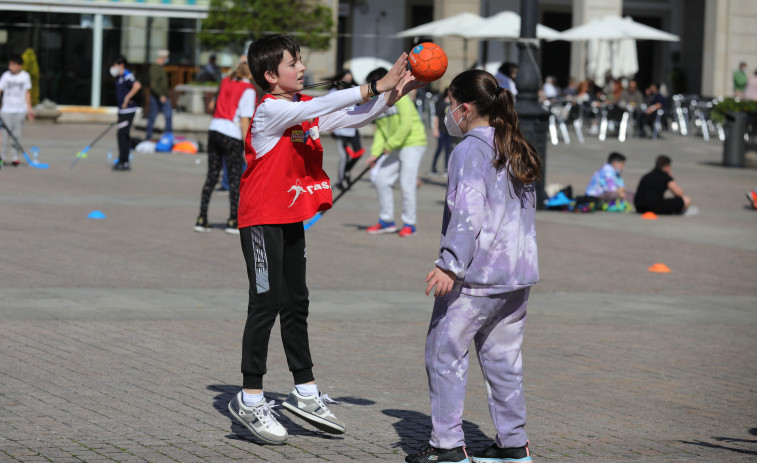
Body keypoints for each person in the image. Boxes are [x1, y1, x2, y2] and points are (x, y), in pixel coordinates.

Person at [228, 34, 422, 445]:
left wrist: (394, 94)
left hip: (290, 217)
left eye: (299, 61)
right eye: (293, 63)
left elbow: (350, 117)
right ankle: (249, 397)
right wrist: (375, 85)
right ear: (270, 75)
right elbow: (324, 104)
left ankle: (305, 390)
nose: (301, 68)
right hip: (260, 221)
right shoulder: (271, 112)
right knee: (265, 304)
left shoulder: (298, 110)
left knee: (296, 302)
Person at [404, 69, 541, 463]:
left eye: (450, 104)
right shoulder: (514, 143)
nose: (448, 112)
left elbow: (468, 211)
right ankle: (513, 444)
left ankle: (447, 446)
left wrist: (450, 264)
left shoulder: (469, 149)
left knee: (443, 353)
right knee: (504, 361)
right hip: (516, 275)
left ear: (463, 108)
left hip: (478, 275)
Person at [365, 67, 428, 237]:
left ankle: (409, 224)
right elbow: (380, 130)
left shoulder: (400, 97)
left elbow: (406, 124)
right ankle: (387, 221)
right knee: (381, 179)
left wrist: (391, 144)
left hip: (412, 143)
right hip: (395, 147)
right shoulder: (379, 103)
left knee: (406, 183)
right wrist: (375, 153)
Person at [193, 61, 255, 234]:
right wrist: (247, 147)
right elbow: (244, 120)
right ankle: (233, 221)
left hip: (214, 129)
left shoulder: (226, 81)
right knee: (235, 179)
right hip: (231, 133)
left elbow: (212, 106)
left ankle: (201, 218)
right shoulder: (248, 90)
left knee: (212, 176)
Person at [328, 69, 365, 190]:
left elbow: (363, 101)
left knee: (358, 152)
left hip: (352, 129)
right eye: (345, 79)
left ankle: (347, 172)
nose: (347, 82)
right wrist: (330, 127)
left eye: (349, 79)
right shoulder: (333, 92)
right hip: (340, 130)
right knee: (344, 157)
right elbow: (327, 109)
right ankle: (340, 181)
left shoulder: (354, 89)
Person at [0, 53, 35, 167]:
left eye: (13, 65)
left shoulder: (25, 76)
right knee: (4, 135)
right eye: (10, 64)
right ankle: (3, 157)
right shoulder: (5, 76)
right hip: (6, 110)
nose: (11, 67)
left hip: (20, 110)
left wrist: (29, 110)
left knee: (17, 135)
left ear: (20, 66)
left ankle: (15, 157)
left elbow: (27, 93)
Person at [109, 55, 142, 171]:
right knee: (123, 134)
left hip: (128, 110)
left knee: (122, 134)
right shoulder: (119, 77)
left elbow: (137, 86)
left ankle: (124, 161)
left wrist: (127, 98)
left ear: (121, 65)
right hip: (122, 110)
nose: (112, 68)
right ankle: (123, 160)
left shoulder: (127, 74)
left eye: (114, 65)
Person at [146, 49, 172, 140]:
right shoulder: (155, 68)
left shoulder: (160, 68)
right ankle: (149, 135)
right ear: (163, 57)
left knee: (168, 115)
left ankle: (168, 135)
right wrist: (160, 95)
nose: (167, 59)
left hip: (162, 96)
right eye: (166, 57)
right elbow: (153, 84)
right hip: (158, 96)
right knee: (153, 116)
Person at [430, 87, 452, 175]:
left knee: (448, 149)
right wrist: (435, 130)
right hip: (441, 130)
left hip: (449, 131)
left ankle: (446, 168)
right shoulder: (442, 103)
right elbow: (437, 117)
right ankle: (433, 167)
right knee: (439, 149)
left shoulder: (452, 104)